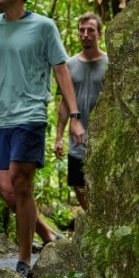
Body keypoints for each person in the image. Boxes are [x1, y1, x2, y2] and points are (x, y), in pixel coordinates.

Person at [0, 0, 85, 277]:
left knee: (21, 182)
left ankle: (24, 259)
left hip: (29, 115)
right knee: (6, 190)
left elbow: (61, 71)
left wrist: (75, 117)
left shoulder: (44, 27)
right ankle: (45, 232)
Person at [53, 12, 109, 211]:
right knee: (78, 182)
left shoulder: (110, 64)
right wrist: (58, 137)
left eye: (91, 30)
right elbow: (64, 105)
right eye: (82, 30)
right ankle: (91, 214)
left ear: (99, 34)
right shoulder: (69, 65)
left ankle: (102, 216)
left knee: (101, 180)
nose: (85, 34)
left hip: (104, 137)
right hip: (77, 137)